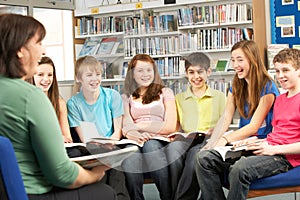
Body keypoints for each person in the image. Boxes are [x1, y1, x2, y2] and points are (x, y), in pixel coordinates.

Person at [0, 13, 116, 199]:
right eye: (38, 43)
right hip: (31, 192)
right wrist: (95, 174)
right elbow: (62, 174)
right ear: (21, 50)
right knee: (105, 193)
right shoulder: (30, 97)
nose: (42, 50)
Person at [196, 47, 300, 200]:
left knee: (240, 168)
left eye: (286, 70)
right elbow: (277, 133)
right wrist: (250, 142)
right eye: (277, 71)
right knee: (204, 158)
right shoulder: (280, 100)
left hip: (285, 157)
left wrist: (273, 149)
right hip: (267, 146)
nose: (280, 76)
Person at [67, 55, 129, 200]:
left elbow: (117, 131)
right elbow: (84, 137)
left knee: (113, 157)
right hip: (89, 146)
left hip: (112, 144)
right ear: (78, 78)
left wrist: (111, 141)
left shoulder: (112, 96)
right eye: (89, 75)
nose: (95, 79)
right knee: (102, 156)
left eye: (98, 74)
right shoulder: (73, 103)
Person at [170, 52, 226, 200]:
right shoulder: (178, 98)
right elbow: (177, 126)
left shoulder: (220, 96)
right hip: (186, 139)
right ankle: (175, 195)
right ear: (186, 74)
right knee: (173, 152)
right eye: (191, 72)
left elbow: (224, 123)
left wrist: (215, 130)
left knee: (194, 156)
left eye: (200, 72)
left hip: (208, 139)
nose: (196, 77)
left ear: (208, 72)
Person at [121, 54, 177, 200]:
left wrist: (140, 126)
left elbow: (170, 126)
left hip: (158, 138)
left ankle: (167, 197)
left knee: (151, 147)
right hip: (135, 138)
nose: (145, 74)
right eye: (140, 70)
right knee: (129, 154)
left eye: (149, 70)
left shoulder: (165, 92)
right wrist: (135, 133)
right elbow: (126, 125)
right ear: (132, 74)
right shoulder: (126, 96)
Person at [32, 56, 72, 143]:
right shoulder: (27, 103)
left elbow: (68, 138)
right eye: (40, 75)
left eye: (50, 75)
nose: (46, 79)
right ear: (32, 77)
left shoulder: (60, 103)